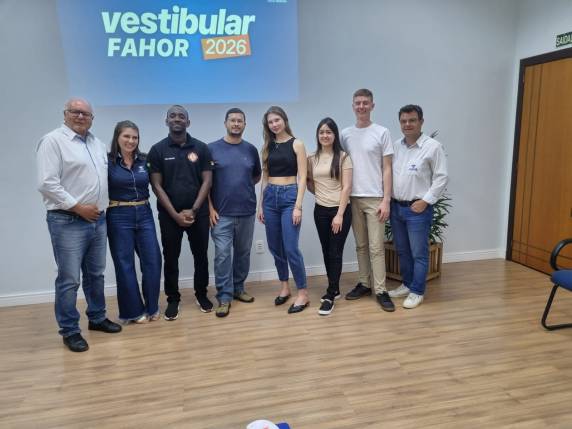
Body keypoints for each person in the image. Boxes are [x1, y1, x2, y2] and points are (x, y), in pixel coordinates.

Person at [37, 98, 122, 352]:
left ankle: (97, 317)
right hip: (68, 220)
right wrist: (78, 207)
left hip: (98, 219)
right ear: (65, 114)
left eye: (86, 113)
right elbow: (47, 183)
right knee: (69, 278)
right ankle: (70, 330)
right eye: (75, 112)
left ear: (92, 118)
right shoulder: (53, 141)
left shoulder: (97, 144)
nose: (81, 116)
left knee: (96, 274)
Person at [147, 105, 214, 320]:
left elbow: (207, 181)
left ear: (188, 122)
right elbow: (156, 186)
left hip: (198, 214)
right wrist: (175, 214)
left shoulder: (202, 148)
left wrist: (193, 210)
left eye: (182, 116)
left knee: (201, 256)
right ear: (166, 121)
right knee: (170, 258)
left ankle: (201, 294)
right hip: (169, 216)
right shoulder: (157, 150)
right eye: (173, 116)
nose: (177, 119)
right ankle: (173, 299)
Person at [388, 105, 448, 308]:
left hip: (418, 210)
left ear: (421, 122)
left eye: (412, 120)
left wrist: (426, 201)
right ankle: (407, 284)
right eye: (403, 121)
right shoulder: (396, 146)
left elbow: (441, 177)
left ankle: (417, 291)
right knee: (402, 251)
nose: (407, 124)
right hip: (396, 208)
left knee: (419, 253)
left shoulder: (433, 147)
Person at [341, 88, 395, 312]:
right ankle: (364, 283)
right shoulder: (345, 134)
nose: (361, 106)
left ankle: (381, 290)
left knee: (376, 247)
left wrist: (386, 200)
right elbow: (341, 165)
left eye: (365, 103)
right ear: (353, 106)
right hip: (353, 198)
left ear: (372, 105)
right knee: (361, 246)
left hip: (375, 198)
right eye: (358, 103)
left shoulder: (382, 132)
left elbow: (388, 168)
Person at [107, 120, 162, 323]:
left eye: (135, 137)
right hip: (118, 214)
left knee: (153, 260)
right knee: (125, 264)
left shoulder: (144, 160)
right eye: (126, 136)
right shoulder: (107, 162)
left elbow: (158, 184)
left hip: (144, 213)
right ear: (117, 137)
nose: (131, 141)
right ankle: (133, 312)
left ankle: (152, 307)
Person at [208, 108, 262, 318]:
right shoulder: (211, 149)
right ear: (225, 123)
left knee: (243, 253)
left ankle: (238, 288)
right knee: (222, 255)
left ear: (244, 125)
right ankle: (224, 296)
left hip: (246, 211)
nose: (236, 124)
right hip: (221, 214)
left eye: (240, 121)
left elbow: (256, 176)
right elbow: (205, 182)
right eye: (232, 120)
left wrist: (241, 188)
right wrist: (210, 208)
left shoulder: (251, 150)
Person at [257, 106, 309, 314]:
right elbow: (265, 178)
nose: (274, 124)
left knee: (290, 247)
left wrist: (298, 206)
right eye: (270, 122)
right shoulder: (267, 147)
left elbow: (303, 177)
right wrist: (261, 205)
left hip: (289, 197)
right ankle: (285, 287)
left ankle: (303, 293)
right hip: (270, 198)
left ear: (284, 120)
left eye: (277, 120)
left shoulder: (297, 144)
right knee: (275, 246)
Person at [307, 118, 353, 316]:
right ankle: (335, 287)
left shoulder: (343, 157)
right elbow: (309, 181)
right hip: (320, 211)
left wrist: (339, 215)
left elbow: (347, 187)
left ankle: (330, 294)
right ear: (317, 135)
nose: (325, 135)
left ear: (335, 135)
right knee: (326, 251)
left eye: (329, 132)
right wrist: (319, 194)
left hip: (339, 211)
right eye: (321, 132)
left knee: (335, 252)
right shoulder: (311, 158)